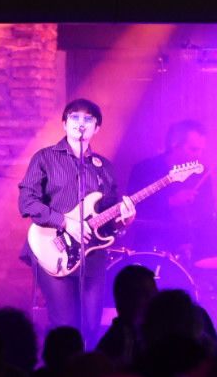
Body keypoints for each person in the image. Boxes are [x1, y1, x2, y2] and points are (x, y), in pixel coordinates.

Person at [18, 99, 136, 341]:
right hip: (53, 247)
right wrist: (66, 222)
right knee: (65, 325)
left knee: (91, 325)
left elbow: (108, 218)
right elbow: (27, 202)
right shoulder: (44, 158)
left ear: (96, 128)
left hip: (92, 255)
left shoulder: (103, 167)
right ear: (64, 123)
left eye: (88, 119)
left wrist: (122, 221)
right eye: (74, 117)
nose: (80, 123)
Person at [126, 119, 214, 257]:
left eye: (202, 150)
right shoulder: (145, 169)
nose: (199, 155)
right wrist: (170, 202)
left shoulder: (200, 172)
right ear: (174, 145)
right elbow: (132, 210)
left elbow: (208, 211)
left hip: (190, 249)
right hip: (151, 246)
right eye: (193, 149)